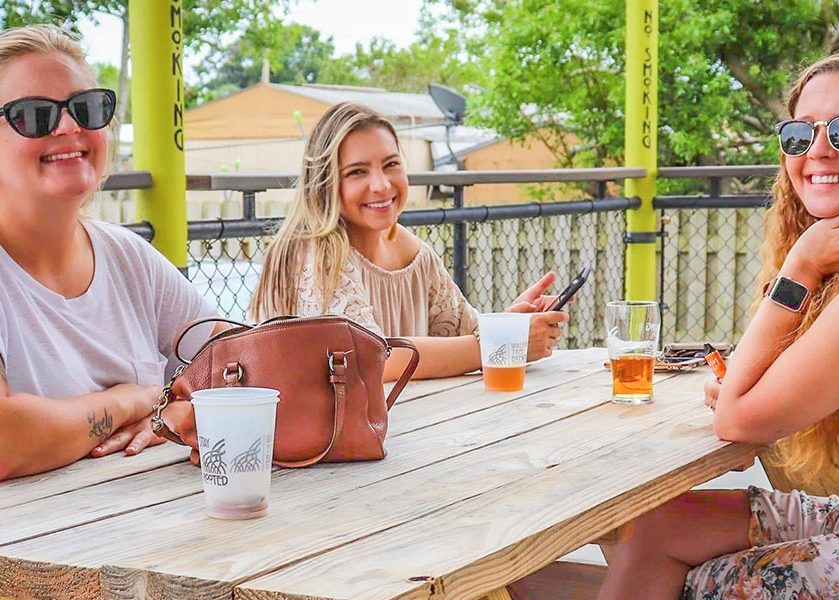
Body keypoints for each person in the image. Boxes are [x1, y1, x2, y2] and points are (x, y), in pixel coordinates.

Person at [598, 51, 839, 599]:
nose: (819, 150)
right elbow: (752, 389)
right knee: (660, 526)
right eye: (800, 134)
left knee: (706, 583)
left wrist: (800, 267)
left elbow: (738, 420)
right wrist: (745, 382)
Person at [0, 25, 218, 482]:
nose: (69, 127)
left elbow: (246, 363)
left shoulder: (129, 258)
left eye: (87, 108)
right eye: (34, 114)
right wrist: (131, 400)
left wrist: (177, 410)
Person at [249, 102, 568, 380]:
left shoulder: (415, 252)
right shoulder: (316, 253)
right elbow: (373, 361)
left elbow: (463, 336)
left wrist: (512, 323)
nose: (381, 184)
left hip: (411, 421)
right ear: (325, 182)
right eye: (358, 172)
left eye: (391, 165)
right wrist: (503, 342)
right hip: (320, 433)